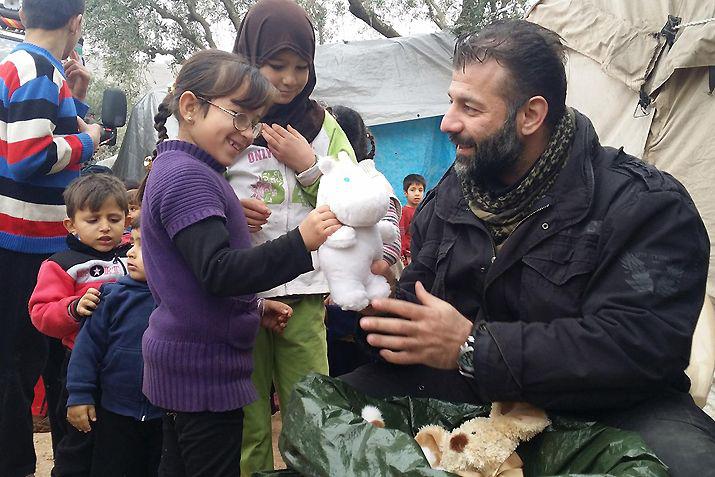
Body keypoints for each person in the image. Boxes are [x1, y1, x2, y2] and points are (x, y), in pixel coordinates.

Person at [342, 20, 715, 476]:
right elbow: (414, 310)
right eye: (450, 101)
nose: (447, 123)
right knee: (331, 414)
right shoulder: (453, 195)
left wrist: (472, 348)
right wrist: (364, 305)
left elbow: (637, 349)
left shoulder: (646, 206)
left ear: (531, 115)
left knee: (689, 465)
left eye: (470, 107)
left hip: (607, 410)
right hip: (468, 395)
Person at [139, 49, 340, 477]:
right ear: (190, 107)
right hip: (203, 373)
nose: (248, 133)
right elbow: (218, 272)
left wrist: (255, 307)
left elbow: (189, 280)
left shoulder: (185, 168)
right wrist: (300, 243)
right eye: (239, 116)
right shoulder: (189, 177)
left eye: (254, 120)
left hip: (190, 366)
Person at [228, 1, 357, 473]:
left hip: (305, 292)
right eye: (276, 64)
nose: (289, 78)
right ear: (249, 59)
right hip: (242, 293)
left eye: (301, 66)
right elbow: (192, 182)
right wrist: (226, 211)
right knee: (247, 414)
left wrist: (308, 166)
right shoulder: (230, 120)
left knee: (311, 408)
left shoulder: (324, 128)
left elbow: (361, 196)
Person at [0, 1, 102, 475]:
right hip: (27, 246)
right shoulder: (38, 68)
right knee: (20, 369)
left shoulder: (23, 66)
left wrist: (75, 102)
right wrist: (92, 137)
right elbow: (27, 155)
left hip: (22, 241)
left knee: (31, 366)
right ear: (75, 22)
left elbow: (34, 138)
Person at [29, 173, 130, 477]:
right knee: (80, 437)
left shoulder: (133, 255)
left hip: (128, 365)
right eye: (93, 219)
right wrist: (72, 308)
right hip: (81, 366)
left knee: (120, 439)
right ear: (71, 225)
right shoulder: (62, 264)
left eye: (114, 218)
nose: (104, 227)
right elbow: (40, 312)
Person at [65, 217, 162, 477]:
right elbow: (86, 350)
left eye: (143, 246)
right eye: (133, 242)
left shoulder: (178, 301)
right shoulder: (111, 297)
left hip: (165, 416)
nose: (130, 251)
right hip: (115, 412)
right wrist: (79, 395)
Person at [325, 105, 401, 376]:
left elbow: (389, 248)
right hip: (337, 306)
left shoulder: (371, 183)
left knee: (353, 376)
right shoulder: (330, 182)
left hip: (361, 308)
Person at [399, 173, 425, 265]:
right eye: (412, 190)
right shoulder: (404, 212)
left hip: (422, 253)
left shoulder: (425, 211)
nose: (417, 193)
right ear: (405, 193)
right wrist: (402, 254)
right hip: (409, 255)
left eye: (420, 190)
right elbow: (401, 234)